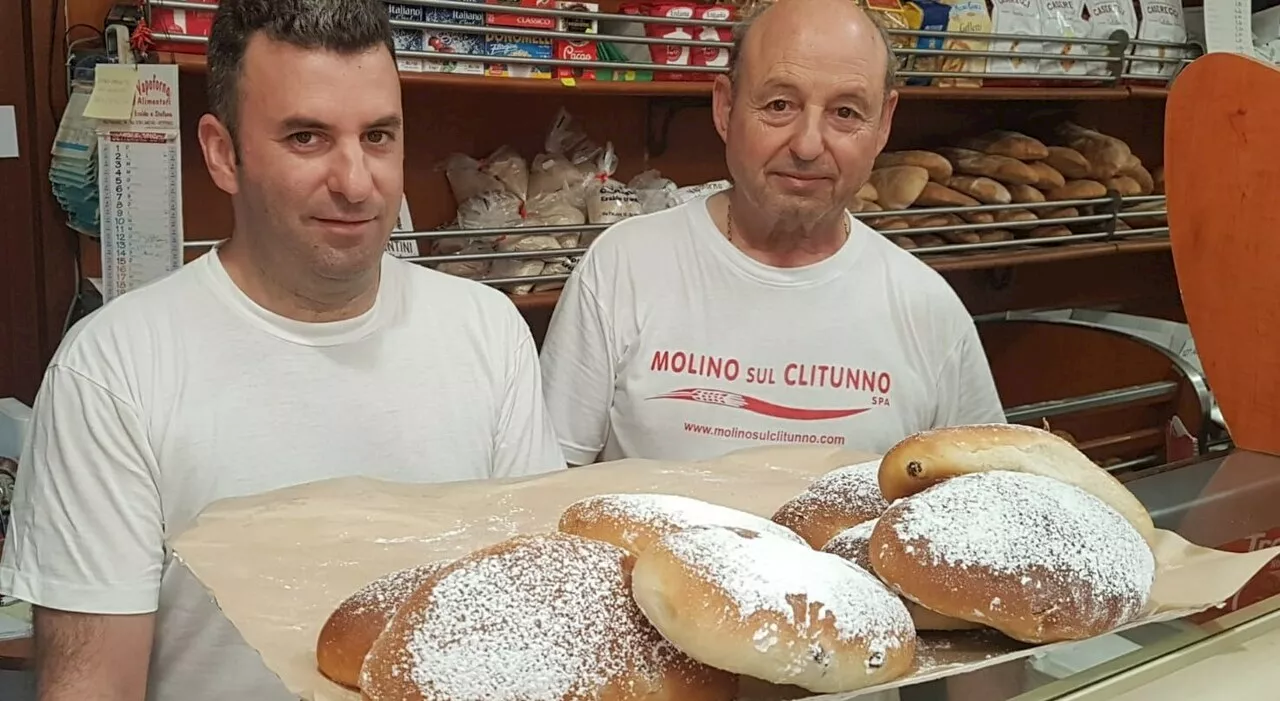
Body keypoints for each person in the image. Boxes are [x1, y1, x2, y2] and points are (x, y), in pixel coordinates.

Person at [0, 1, 563, 699]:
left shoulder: (488, 333)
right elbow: (93, 686)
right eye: (306, 137)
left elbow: (531, 624)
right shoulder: (116, 369)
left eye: (379, 136)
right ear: (222, 153)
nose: (357, 182)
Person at [540, 0, 1006, 466]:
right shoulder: (624, 267)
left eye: (845, 112)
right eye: (779, 105)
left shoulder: (929, 310)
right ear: (725, 107)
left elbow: (984, 498)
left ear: (883, 123)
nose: (807, 145)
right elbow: (546, 485)